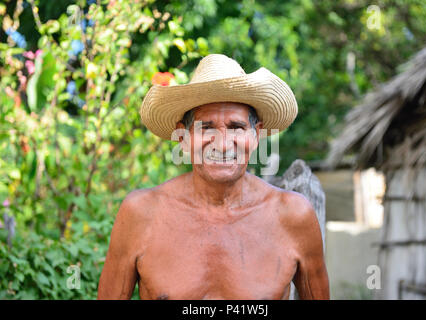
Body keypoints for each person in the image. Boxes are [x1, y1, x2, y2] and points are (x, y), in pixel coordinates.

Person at [97, 54, 329, 300]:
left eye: (236, 127)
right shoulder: (141, 214)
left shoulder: (293, 216)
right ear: (183, 138)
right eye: (205, 127)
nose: (223, 143)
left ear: (256, 135)